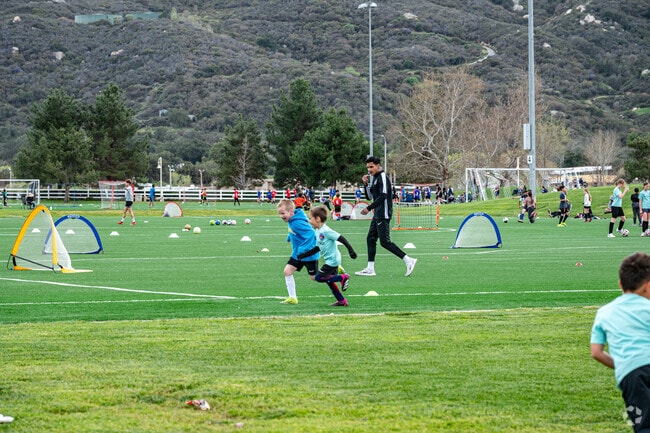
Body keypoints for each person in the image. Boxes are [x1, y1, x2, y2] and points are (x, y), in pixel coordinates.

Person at [590, 252, 650, 433]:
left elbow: (596, 352)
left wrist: (625, 364)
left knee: (642, 425)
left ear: (620, 284)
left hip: (631, 377)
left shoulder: (604, 312)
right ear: (648, 286)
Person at [356, 156, 417, 277]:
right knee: (370, 239)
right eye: (368, 167)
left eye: (371, 167)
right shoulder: (374, 178)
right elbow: (369, 196)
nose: (369, 169)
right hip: (377, 214)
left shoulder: (383, 177)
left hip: (383, 214)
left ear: (378, 165)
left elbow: (383, 195)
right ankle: (370, 268)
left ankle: (408, 260)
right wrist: (365, 184)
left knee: (385, 242)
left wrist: (369, 208)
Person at [299, 206, 357, 306]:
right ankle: (342, 301)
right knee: (329, 281)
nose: (309, 221)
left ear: (318, 219)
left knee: (318, 277)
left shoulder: (326, 230)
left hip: (333, 261)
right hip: (329, 260)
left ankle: (343, 277)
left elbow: (341, 238)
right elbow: (318, 248)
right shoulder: (318, 231)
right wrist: (304, 255)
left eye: (310, 218)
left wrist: (350, 250)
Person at [276, 198, 319, 305]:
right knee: (287, 271)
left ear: (291, 212)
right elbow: (295, 231)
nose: (281, 216)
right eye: (279, 214)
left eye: (282, 213)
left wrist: (302, 249)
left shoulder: (297, 222)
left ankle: (336, 274)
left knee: (315, 278)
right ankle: (293, 298)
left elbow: (311, 234)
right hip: (298, 254)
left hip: (308, 254)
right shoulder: (292, 220)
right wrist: (289, 237)